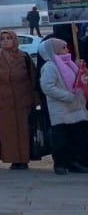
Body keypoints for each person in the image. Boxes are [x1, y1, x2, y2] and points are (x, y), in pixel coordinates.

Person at [0, 30, 40, 170]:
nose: (5, 41)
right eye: (2, 39)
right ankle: (13, 159)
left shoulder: (24, 57)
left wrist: (36, 101)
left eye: (8, 38)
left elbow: (33, 79)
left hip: (23, 102)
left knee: (23, 131)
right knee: (8, 132)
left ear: (14, 40)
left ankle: (24, 159)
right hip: (3, 103)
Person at [38, 38, 88, 175]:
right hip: (61, 108)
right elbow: (47, 87)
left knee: (76, 137)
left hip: (75, 107)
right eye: (63, 48)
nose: (67, 50)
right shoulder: (50, 66)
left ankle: (75, 162)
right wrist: (67, 96)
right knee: (60, 139)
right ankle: (60, 164)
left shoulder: (70, 64)